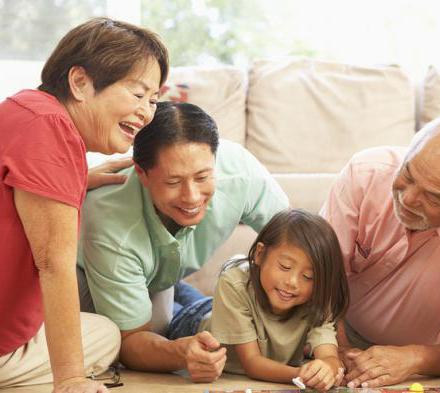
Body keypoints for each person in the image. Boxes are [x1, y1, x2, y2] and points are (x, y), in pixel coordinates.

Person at [0, 18, 168, 392]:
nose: (147, 112)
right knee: (107, 336)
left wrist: (77, 178)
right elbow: (53, 263)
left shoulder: (25, 111)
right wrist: (72, 380)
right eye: (138, 94)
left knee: (102, 331)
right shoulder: (50, 128)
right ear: (80, 82)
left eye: (154, 100)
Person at [77, 101, 289, 382]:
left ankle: (181, 293)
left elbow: (300, 243)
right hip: (89, 276)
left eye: (202, 177)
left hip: (158, 274)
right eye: (173, 182)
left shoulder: (239, 172)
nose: (191, 197)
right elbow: (131, 342)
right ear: (142, 173)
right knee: (158, 333)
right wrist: (181, 353)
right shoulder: (110, 224)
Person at [320, 115, 440, 387]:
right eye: (408, 175)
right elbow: (320, 272)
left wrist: (416, 359)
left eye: (433, 196)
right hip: (330, 329)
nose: (409, 198)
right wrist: (336, 348)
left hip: (420, 363)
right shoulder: (365, 173)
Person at [170, 209, 350, 390]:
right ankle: (171, 283)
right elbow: (252, 363)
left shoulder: (317, 297)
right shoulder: (233, 283)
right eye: (285, 267)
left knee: (193, 296)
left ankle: (177, 286)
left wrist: (328, 368)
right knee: (169, 303)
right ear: (260, 254)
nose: (292, 282)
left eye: (308, 276)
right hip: (194, 321)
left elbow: (329, 356)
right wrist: (301, 374)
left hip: (227, 309)